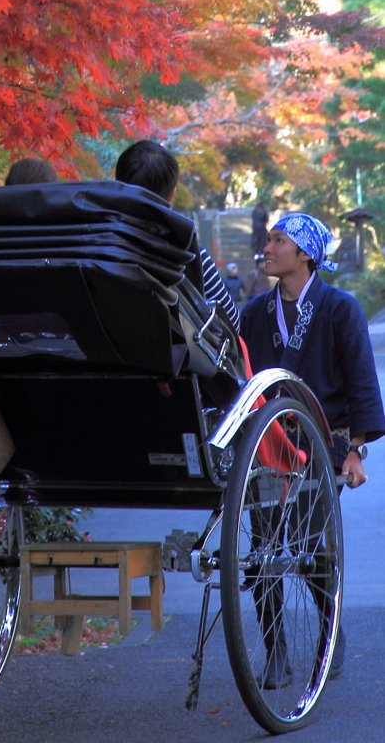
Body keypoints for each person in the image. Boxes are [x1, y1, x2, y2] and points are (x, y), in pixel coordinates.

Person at [241, 212, 385, 684]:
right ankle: (276, 653)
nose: (267, 248)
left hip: (325, 441)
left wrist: (356, 450)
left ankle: (329, 630)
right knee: (263, 549)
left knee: (311, 547)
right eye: (268, 240)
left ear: (305, 254)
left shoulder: (338, 308)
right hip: (269, 444)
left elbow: (362, 380)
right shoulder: (254, 311)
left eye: (277, 241)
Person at [115, 140, 240, 333]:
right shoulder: (190, 255)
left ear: (117, 185)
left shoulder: (91, 242)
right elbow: (231, 324)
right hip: (174, 357)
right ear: (172, 193)